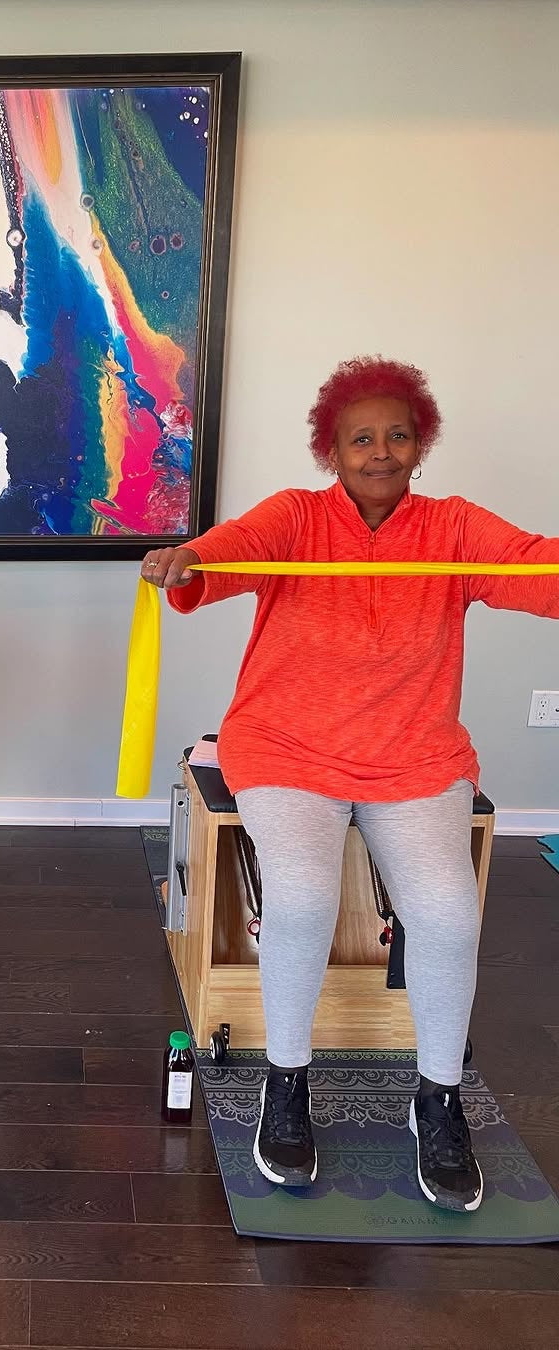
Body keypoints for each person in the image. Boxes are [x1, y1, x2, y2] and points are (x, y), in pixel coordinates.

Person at [141, 356, 559, 1212]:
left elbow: (533, 567)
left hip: (414, 757)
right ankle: (285, 1082)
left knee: (448, 911)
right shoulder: (297, 517)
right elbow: (231, 551)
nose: (380, 452)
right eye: (360, 439)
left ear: (420, 447)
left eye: (397, 436)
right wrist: (187, 560)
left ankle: (436, 1097)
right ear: (330, 451)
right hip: (288, 749)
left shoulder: (453, 527)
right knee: (300, 896)